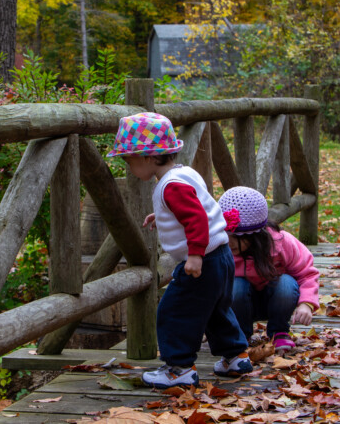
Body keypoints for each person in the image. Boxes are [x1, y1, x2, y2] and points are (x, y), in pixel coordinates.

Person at [107, 112, 252, 389]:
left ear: (149, 157)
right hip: (220, 257)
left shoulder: (171, 186)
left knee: (173, 310)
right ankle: (236, 356)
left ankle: (179, 368)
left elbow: (196, 218)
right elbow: (194, 207)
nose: (128, 166)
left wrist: (195, 254)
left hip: (202, 261)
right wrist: (160, 215)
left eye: (129, 160)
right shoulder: (183, 174)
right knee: (216, 310)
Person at [217, 186, 320, 354]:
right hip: (239, 303)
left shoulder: (280, 243)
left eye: (237, 238)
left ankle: (279, 332)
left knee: (286, 283)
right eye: (225, 235)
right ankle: (240, 334)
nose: (230, 243)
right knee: (235, 286)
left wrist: (306, 304)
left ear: (255, 235)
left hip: (275, 301)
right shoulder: (220, 249)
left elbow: (307, 272)